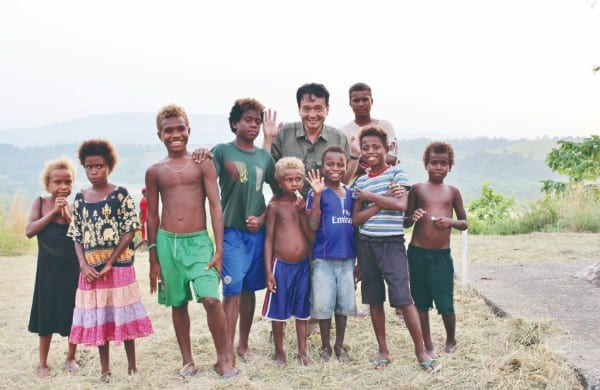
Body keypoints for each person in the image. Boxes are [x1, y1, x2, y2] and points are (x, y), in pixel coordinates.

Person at [145, 104, 238, 379]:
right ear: (159, 134)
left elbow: (215, 205)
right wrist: (153, 257)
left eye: (180, 129)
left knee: (211, 299)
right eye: (168, 130)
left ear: (188, 130)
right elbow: (151, 215)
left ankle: (224, 357)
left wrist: (218, 248)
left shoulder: (202, 162)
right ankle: (188, 360)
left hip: (198, 242)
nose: (175, 134)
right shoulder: (155, 171)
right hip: (168, 244)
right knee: (178, 301)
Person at [352, 125, 440, 372]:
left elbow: (401, 205)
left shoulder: (396, 174)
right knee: (374, 299)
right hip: (366, 245)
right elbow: (356, 220)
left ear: (387, 148)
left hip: (391, 243)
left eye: (376, 147)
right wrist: (381, 201)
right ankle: (383, 350)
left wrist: (372, 197)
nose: (371, 152)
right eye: (366, 148)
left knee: (403, 298)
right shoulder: (359, 182)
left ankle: (421, 350)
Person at [67, 140, 153, 383]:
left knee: (122, 313)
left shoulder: (120, 194)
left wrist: (110, 263)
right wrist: (84, 265)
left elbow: (130, 230)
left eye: (99, 166)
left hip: (119, 268)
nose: (94, 171)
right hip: (91, 269)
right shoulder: (81, 198)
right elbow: (76, 235)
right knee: (100, 317)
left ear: (109, 167)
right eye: (89, 167)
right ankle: (105, 370)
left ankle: (132, 366)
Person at [211, 98, 277, 363]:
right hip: (231, 233)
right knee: (232, 291)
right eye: (248, 120)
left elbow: (278, 195)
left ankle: (242, 345)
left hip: (256, 236)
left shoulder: (264, 157)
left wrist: (262, 218)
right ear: (234, 123)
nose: (253, 125)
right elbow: (205, 180)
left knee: (249, 290)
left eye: (257, 121)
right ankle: (226, 351)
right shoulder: (222, 151)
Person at [403, 141, 468, 355]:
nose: (438, 167)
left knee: (445, 301)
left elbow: (464, 222)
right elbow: (405, 221)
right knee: (420, 302)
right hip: (417, 253)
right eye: (434, 163)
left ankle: (451, 339)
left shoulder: (453, 192)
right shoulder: (417, 189)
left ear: (450, 166)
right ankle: (427, 343)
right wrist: (413, 217)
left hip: (441, 256)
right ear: (426, 165)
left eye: (443, 163)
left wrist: (450, 222)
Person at [25, 156, 80, 379]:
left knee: (73, 312)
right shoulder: (40, 202)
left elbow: (81, 235)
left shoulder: (75, 206)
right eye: (57, 182)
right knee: (45, 313)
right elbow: (30, 231)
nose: (63, 187)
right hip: (47, 270)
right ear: (48, 184)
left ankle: (71, 357)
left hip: (71, 269)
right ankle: (43, 363)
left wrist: (66, 214)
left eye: (67, 182)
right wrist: (53, 213)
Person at [305, 146, 356, 362]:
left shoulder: (352, 194)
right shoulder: (315, 192)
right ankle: (325, 346)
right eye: (330, 164)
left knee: (343, 305)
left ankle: (339, 345)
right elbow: (313, 224)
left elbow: (357, 227)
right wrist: (317, 195)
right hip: (323, 259)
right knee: (324, 305)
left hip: (347, 259)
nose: (335, 168)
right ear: (322, 166)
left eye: (340, 164)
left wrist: (359, 261)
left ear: (346, 167)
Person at [262, 82, 361, 195]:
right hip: (287, 208)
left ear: (327, 109)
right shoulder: (283, 134)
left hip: (323, 208)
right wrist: (267, 139)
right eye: (307, 109)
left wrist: (355, 156)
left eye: (318, 109)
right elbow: (267, 175)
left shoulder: (339, 139)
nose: (312, 115)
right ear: (299, 109)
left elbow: (344, 180)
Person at [262, 157, 313, 366]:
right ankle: (280, 352)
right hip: (280, 266)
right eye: (289, 179)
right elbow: (269, 239)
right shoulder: (275, 206)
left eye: (298, 179)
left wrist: (302, 212)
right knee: (279, 312)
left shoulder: (307, 204)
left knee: (302, 311)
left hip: (302, 266)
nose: (294, 183)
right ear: (280, 182)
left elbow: (311, 235)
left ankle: (303, 352)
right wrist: (268, 271)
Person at [340, 82, 398, 187]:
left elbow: (392, 159)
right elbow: (342, 170)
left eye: (365, 99)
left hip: (386, 184)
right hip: (355, 187)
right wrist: (376, 157)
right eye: (356, 100)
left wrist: (359, 159)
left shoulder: (385, 126)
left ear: (371, 101)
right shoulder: (343, 132)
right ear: (350, 103)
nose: (361, 104)